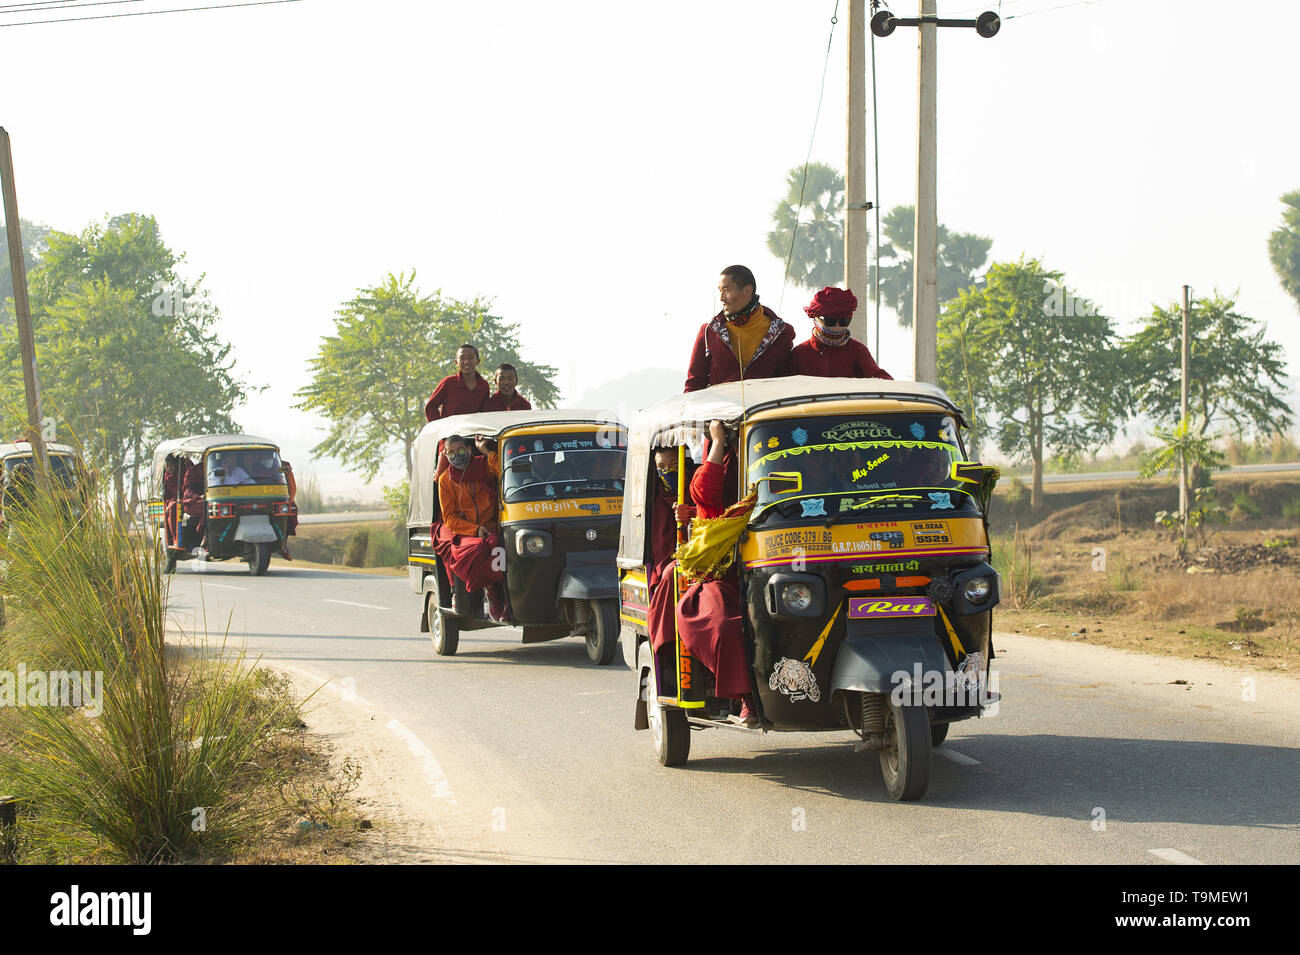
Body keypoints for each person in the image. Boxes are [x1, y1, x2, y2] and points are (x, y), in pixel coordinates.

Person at [646, 421, 757, 724]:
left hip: (767, 568)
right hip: (719, 574)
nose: (667, 471)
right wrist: (718, 442)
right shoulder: (704, 476)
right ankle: (746, 699)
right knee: (722, 627)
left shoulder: (763, 470)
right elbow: (706, 495)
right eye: (662, 467)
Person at [684, 265, 795, 392]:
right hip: (719, 410)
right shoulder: (708, 332)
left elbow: (785, 385)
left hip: (762, 410)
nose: (721, 298)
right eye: (719, 290)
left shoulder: (781, 333)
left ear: (747, 291)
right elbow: (694, 384)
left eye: (726, 290)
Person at [434, 434, 508, 621]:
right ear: (446, 455)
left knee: (498, 546)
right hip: (469, 531)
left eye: (460, 450)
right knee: (478, 549)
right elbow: (450, 518)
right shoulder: (445, 479)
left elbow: (505, 471)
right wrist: (475, 530)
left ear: (468, 449)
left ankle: (507, 597)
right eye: (451, 453)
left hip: (493, 525)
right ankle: (492, 594)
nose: (456, 455)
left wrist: (486, 450)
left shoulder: (483, 464)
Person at [789, 286, 892, 379]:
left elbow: (880, 380)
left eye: (844, 321)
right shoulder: (800, 354)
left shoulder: (857, 351)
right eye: (831, 321)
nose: (837, 327)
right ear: (816, 319)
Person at [425, 344, 491, 422]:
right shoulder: (448, 382)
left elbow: (485, 411)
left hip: (474, 431)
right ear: (456, 362)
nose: (466, 362)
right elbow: (431, 407)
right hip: (451, 432)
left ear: (478, 361)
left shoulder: (483, 385)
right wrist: (440, 426)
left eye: (470, 358)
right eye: (462, 358)